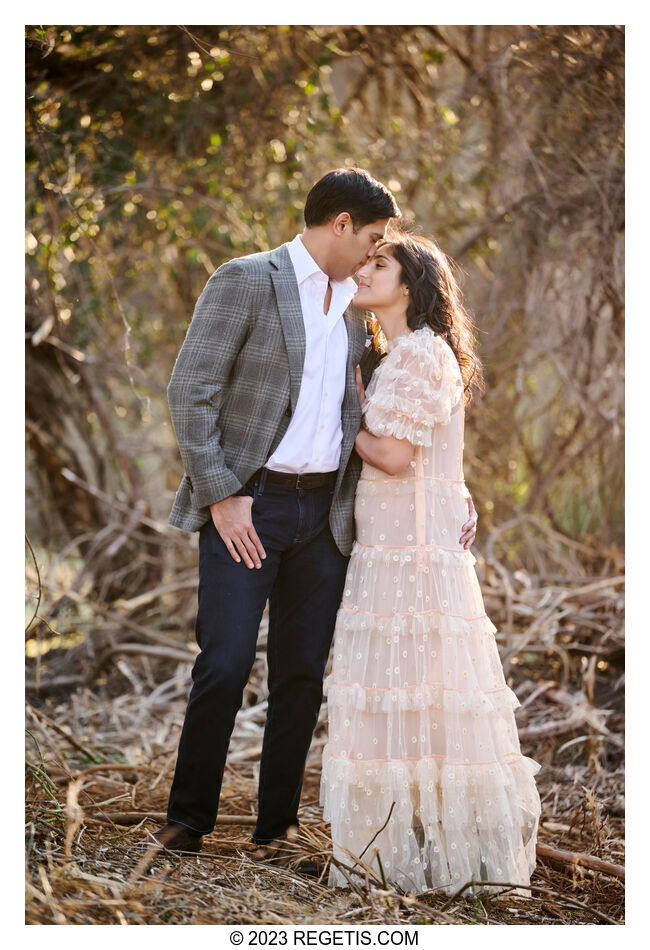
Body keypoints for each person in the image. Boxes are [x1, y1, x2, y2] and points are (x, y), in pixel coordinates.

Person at [152, 169, 478, 868]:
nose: (373, 253)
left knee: (301, 674)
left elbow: (399, 416)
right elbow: (190, 389)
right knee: (227, 661)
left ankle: (276, 830)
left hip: (328, 514)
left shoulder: (362, 312)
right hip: (251, 506)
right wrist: (221, 492)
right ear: (338, 225)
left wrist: (456, 489)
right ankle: (187, 819)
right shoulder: (246, 280)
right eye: (371, 237)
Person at [320, 230, 541, 896]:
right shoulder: (391, 354)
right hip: (390, 551)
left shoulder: (421, 354)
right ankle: (398, 855)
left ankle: (446, 859)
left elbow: (391, 455)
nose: (363, 271)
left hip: (412, 559)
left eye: (378, 264)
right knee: (402, 701)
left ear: (411, 284)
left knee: (429, 698)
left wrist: (337, 415)